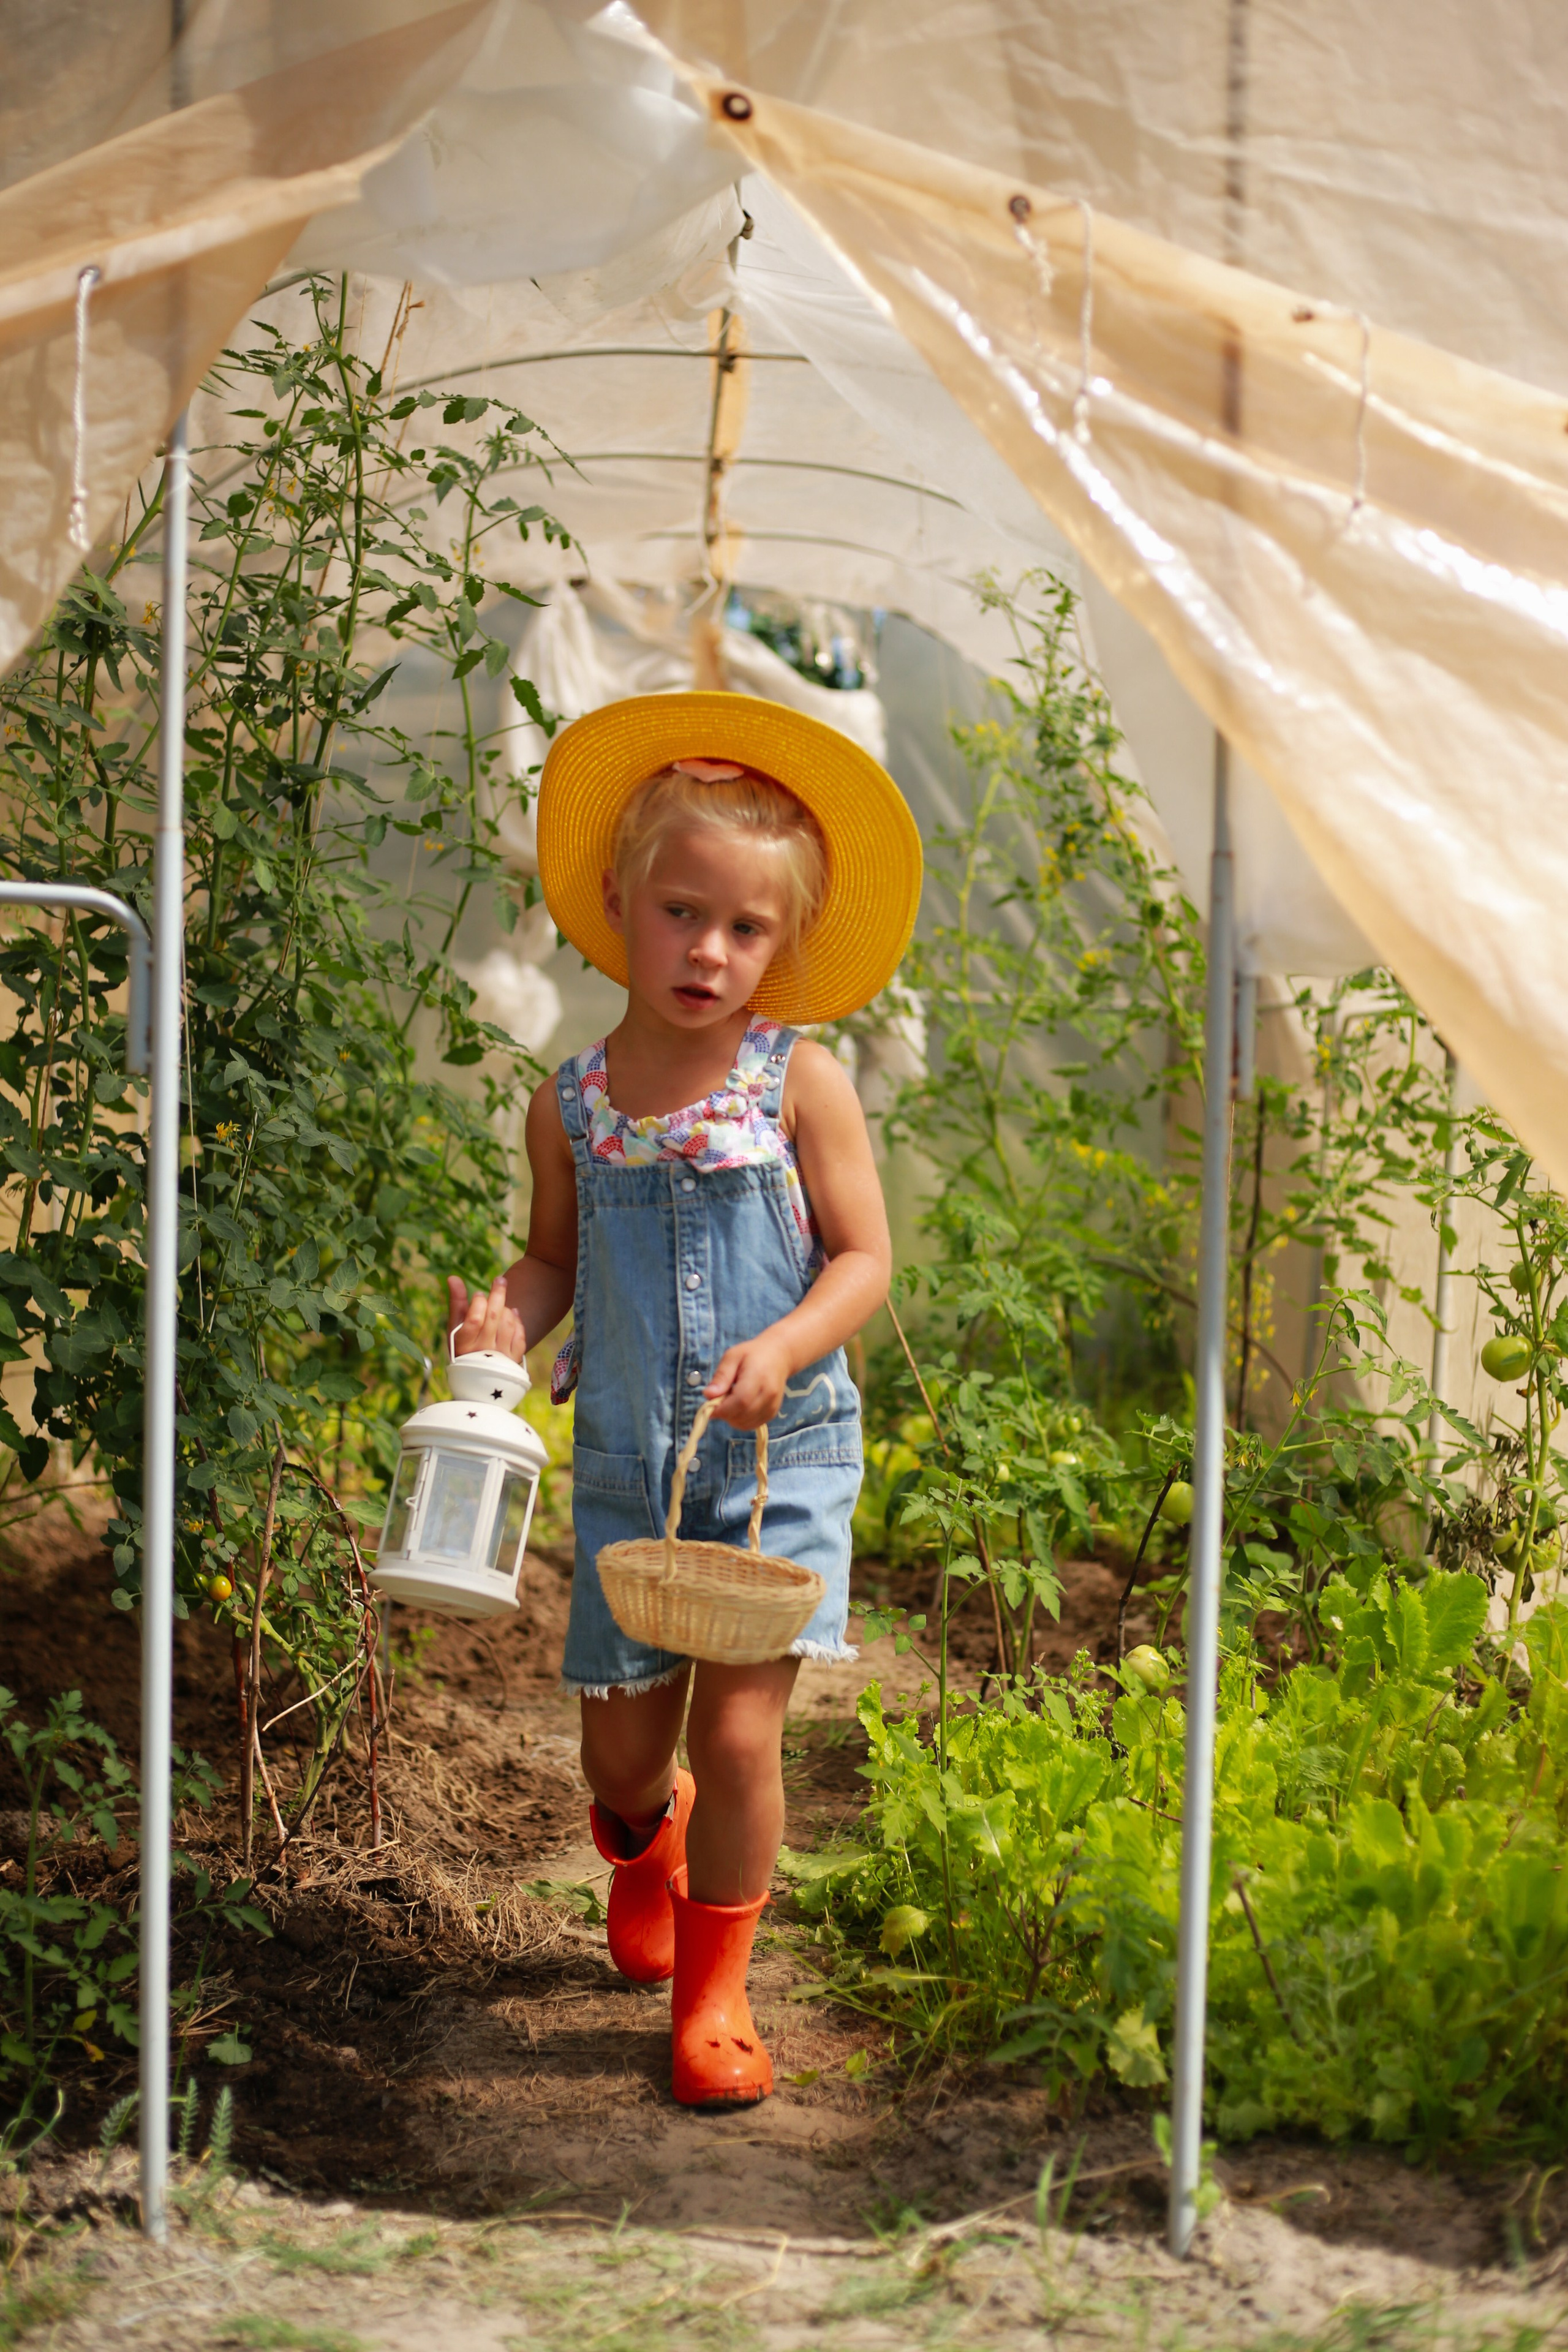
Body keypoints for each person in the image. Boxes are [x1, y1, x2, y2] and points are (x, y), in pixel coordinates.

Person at [448, 691, 921, 2106]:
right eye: (679, 914)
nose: (707, 952)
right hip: (627, 1469)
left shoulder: (797, 1082)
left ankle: (715, 1998)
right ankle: (645, 1850)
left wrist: (784, 1347)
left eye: (744, 929)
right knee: (621, 1755)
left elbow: (862, 1260)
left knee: (739, 1728)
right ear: (616, 902)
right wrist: (502, 1320)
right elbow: (554, 1260)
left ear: (782, 944)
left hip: (779, 1464)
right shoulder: (574, 1104)